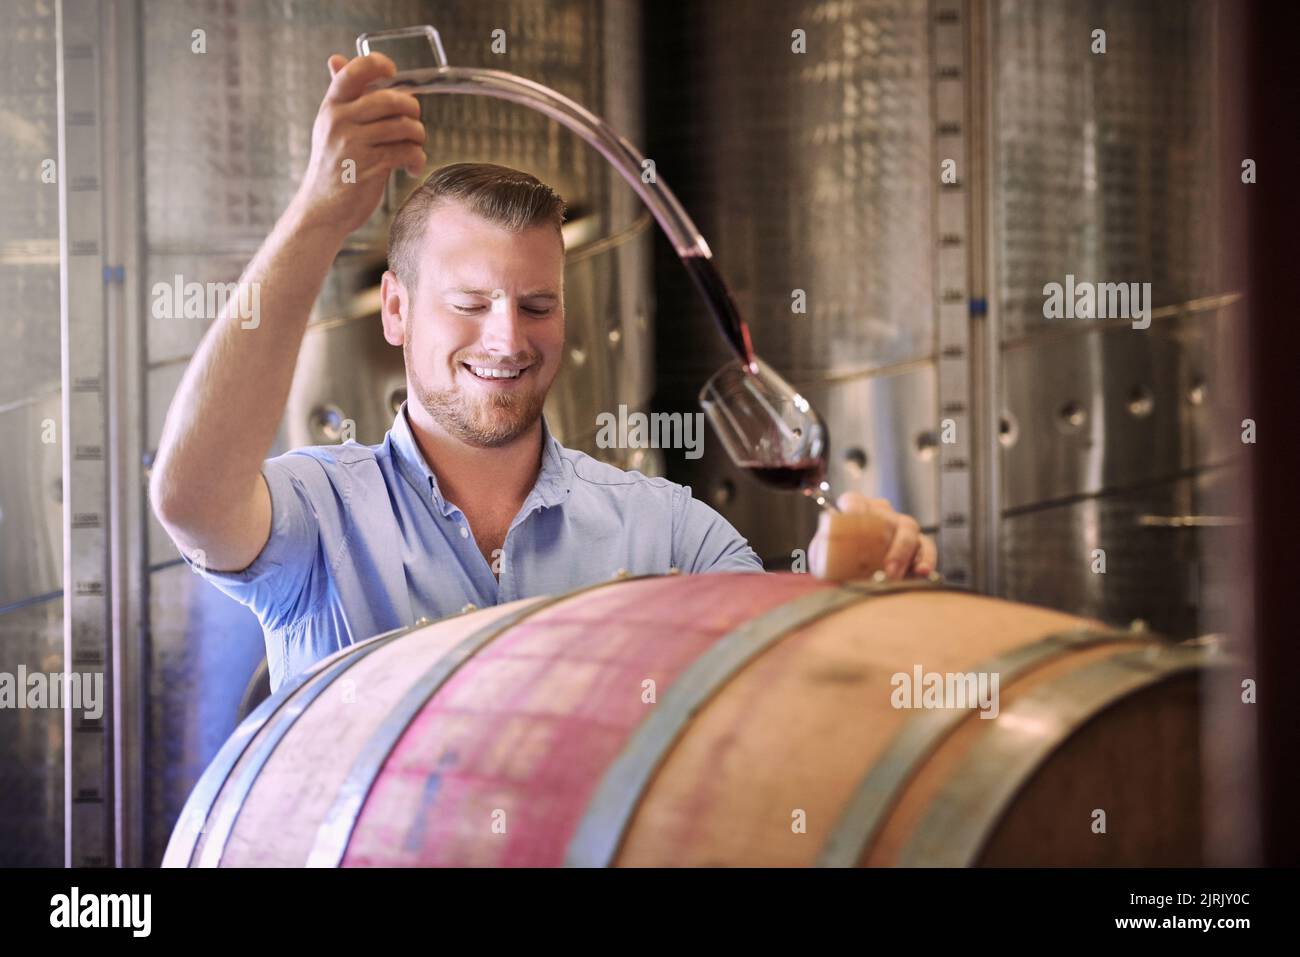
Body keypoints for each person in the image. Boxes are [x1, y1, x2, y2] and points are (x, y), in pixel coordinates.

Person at [150, 53, 936, 691]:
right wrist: (318, 213)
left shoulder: (667, 530)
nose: (507, 339)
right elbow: (191, 497)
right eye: (470, 303)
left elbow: (776, 693)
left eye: (536, 304)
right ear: (395, 310)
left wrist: (854, 600)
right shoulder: (320, 514)